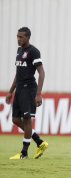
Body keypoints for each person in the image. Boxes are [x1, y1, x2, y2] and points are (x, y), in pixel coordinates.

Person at [6, 27, 48, 159]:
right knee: (16, 120)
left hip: (29, 89)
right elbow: (18, 73)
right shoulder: (19, 51)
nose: (18, 39)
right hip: (19, 89)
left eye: (21, 37)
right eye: (17, 36)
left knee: (27, 119)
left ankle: (24, 153)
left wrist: (38, 93)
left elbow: (41, 72)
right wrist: (10, 91)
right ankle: (40, 142)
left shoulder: (33, 51)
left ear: (28, 37)